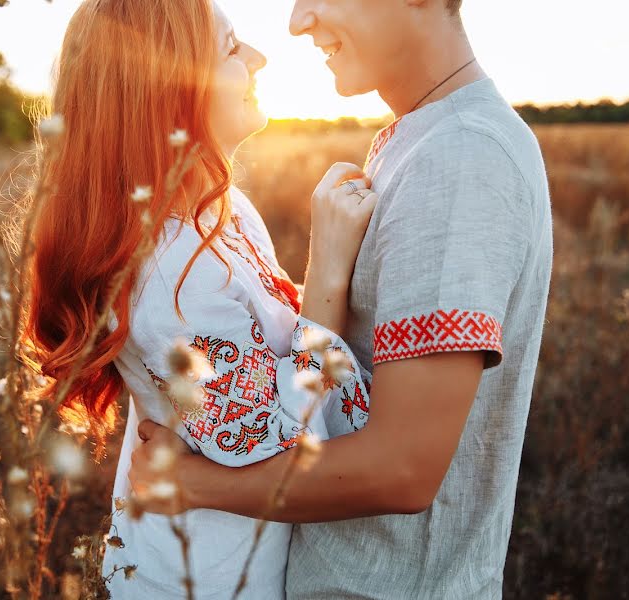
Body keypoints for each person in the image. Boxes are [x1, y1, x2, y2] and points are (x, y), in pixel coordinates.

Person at [129, 0, 554, 598]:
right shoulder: (423, 141)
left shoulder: (459, 157)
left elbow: (402, 471)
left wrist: (197, 485)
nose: (298, 21)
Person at [21, 0, 379, 597]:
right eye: (234, 49)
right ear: (168, 88)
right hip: (203, 580)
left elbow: (271, 341)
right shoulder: (168, 274)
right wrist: (330, 268)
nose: (260, 58)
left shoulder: (222, 210)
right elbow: (276, 436)